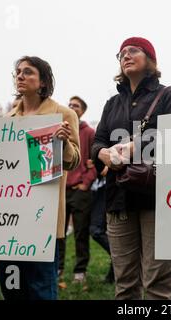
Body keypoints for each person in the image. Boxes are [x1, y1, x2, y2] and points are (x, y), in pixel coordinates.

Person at [0, 56, 80, 300]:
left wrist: (63, 143)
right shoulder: (7, 122)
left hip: (41, 219)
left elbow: (74, 160)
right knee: (12, 286)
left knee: (40, 287)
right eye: (17, 72)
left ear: (43, 82)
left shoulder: (62, 114)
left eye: (28, 72)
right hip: (8, 218)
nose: (20, 76)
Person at [91, 37, 171, 299]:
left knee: (157, 284)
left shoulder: (167, 95)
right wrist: (103, 153)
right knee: (126, 284)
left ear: (150, 59)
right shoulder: (112, 104)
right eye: (121, 53)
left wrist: (135, 146)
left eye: (133, 50)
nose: (126, 55)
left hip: (157, 199)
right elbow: (98, 140)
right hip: (118, 199)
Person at [58, 96, 97, 284]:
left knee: (81, 233)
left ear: (83, 110)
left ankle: (80, 271)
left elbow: (95, 160)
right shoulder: (59, 129)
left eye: (76, 105)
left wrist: (86, 183)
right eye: (70, 104)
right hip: (61, 188)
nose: (72, 107)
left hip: (80, 190)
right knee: (59, 232)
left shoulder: (89, 132)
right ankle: (58, 267)